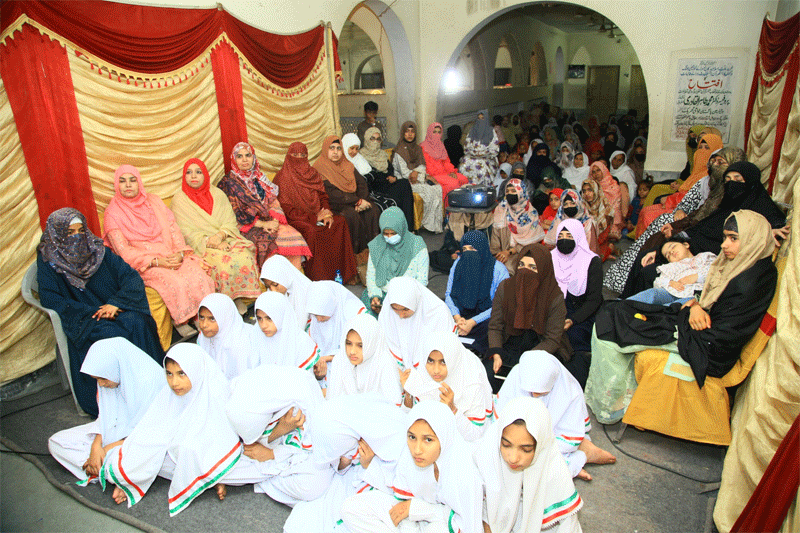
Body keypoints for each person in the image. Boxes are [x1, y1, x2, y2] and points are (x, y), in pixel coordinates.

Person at [586, 210, 779, 424]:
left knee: (611, 325)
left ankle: (612, 407)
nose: (724, 245)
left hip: (704, 346)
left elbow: (721, 334)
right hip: (696, 327)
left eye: (733, 238)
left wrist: (691, 309)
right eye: (725, 237)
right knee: (615, 313)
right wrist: (695, 305)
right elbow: (710, 303)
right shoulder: (745, 266)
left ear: (754, 239)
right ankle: (620, 397)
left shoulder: (751, 281)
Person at [37, 208, 164, 416]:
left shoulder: (97, 249)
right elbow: (50, 297)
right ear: (58, 234)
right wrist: (91, 311)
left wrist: (116, 303)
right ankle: (119, 398)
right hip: (84, 317)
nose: (78, 237)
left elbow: (130, 277)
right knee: (110, 335)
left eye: (81, 230)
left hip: (115, 308)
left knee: (138, 323)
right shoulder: (49, 260)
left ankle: (153, 387)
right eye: (70, 233)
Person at [100, 344, 242, 516]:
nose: (174, 382)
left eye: (182, 373)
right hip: (178, 455)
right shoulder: (169, 394)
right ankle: (128, 481)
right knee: (152, 450)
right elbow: (151, 430)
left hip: (211, 452)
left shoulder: (216, 392)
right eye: (169, 374)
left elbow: (223, 439)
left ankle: (216, 475)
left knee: (192, 452)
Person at [616, 160, 787, 298]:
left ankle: (637, 310)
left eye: (738, 179)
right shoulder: (725, 205)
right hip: (688, 249)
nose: (732, 184)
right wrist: (661, 250)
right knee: (644, 256)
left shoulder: (760, 206)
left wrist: (768, 231)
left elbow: (773, 225)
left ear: (750, 181)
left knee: (649, 273)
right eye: (728, 180)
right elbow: (698, 228)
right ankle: (627, 303)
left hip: (705, 262)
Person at [603, 147, 747, 294]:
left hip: (700, 250)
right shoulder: (711, 186)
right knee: (655, 235)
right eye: (713, 161)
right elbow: (695, 213)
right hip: (689, 230)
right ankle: (624, 289)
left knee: (653, 251)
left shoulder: (741, 202)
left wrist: (679, 232)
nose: (715, 165)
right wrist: (677, 222)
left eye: (720, 162)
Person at [103, 164, 215, 346]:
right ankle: (181, 320)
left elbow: (173, 230)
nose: (128, 185)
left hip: (170, 252)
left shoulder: (153, 201)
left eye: (132, 180)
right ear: (117, 185)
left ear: (139, 182)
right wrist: (156, 261)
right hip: (144, 263)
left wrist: (179, 254)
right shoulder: (113, 213)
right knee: (174, 282)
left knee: (197, 273)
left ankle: (199, 316)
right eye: (122, 181)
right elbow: (123, 251)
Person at [340, 401, 483, 533]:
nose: (417, 449)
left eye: (428, 440)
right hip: (415, 518)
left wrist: (418, 509)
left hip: (441, 525)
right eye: (412, 437)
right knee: (351, 508)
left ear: (444, 437)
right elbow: (399, 493)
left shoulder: (464, 474)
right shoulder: (410, 457)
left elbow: (464, 524)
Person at [284, 394, 408, 533]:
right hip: (360, 474)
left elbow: (401, 489)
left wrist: (369, 465)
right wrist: (347, 461)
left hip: (387, 489)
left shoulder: (396, 439)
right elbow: (341, 460)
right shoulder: (346, 420)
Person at [48, 338, 164, 483]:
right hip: (113, 434)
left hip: (142, 440)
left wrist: (105, 449)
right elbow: (106, 417)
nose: (101, 384)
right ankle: (96, 467)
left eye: (102, 378)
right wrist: (96, 447)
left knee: (126, 466)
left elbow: (148, 433)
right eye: (97, 379)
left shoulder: (149, 381)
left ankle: (97, 467)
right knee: (56, 442)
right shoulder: (110, 377)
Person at [496, 351, 617, 481]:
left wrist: (530, 446)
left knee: (534, 471)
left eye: (540, 391)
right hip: (515, 439)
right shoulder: (517, 375)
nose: (535, 395)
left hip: (550, 441)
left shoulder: (569, 391)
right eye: (531, 391)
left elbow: (569, 440)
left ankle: (582, 457)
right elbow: (499, 419)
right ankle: (575, 466)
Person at [224, 363, 333, 506]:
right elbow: (245, 440)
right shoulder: (238, 391)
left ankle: (261, 478)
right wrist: (278, 432)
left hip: (295, 450)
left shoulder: (303, 399)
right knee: (220, 464)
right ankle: (226, 475)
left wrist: (272, 454)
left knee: (315, 486)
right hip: (265, 447)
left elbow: (315, 448)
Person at [473, 396, 583, 533]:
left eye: (526, 450)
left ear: (540, 446)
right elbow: (479, 510)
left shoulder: (555, 474)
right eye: (506, 445)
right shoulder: (488, 453)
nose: (513, 458)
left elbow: (567, 526)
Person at [171, 158, 261, 312]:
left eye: (198, 172)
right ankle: (226, 302)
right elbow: (185, 232)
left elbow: (229, 220)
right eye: (189, 172)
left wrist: (220, 236)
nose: (194, 176)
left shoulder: (217, 194)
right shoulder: (179, 200)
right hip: (200, 244)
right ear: (184, 176)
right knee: (222, 262)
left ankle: (237, 297)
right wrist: (211, 242)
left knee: (244, 254)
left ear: (205, 174)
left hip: (224, 238)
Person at [486, 244, 571, 392]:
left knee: (538, 384)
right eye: (522, 265)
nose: (525, 271)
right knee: (489, 377)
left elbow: (552, 340)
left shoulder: (554, 297)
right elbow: (495, 326)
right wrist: (496, 351)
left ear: (543, 270)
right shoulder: (506, 288)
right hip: (510, 340)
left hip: (540, 345)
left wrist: (526, 361)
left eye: (532, 267)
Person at [217, 142, 310, 270]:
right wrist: (263, 224)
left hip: (270, 221)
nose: (244, 159)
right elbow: (234, 213)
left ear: (253, 158)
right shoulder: (228, 183)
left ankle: (291, 281)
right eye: (239, 156)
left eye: (248, 155)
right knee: (268, 243)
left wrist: (275, 221)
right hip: (246, 226)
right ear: (234, 159)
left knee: (294, 237)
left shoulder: (259, 178)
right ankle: (272, 283)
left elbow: (273, 201)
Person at [272, 142, 357, 282]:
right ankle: (317, 279)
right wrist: (314, 217)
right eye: (295, 155)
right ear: (288, 156)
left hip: (319, 214)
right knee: (311, 231)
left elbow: (323, 195)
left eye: (303, 155)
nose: (299, 158)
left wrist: (327, 212)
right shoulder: (282, 178)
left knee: (339, 222)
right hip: (296, 219)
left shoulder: (312, 173)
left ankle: (343, 275)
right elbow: (287, 209)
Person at [400, 332, 494, 442]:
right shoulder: (422, 373)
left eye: (443, 362)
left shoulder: (471, 382)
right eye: (430, 361)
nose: (436, 370)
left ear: (453, 359)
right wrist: (408, 394)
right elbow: (407, 421)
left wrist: (452, 409)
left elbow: (476, 436)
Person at [635, 134, 722, 237]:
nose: (702, 151)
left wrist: (669, 201)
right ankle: (642, 249)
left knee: (649, 216)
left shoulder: (711, 176)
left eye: (707, 148)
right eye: (700, 147)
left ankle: (652, 248)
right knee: (646, 210)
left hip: (690, 213)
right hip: (680, 205)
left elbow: (694, 200)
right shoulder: (698, 171)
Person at [551, 219, 602, 385]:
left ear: (578, 237)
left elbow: (593, 300)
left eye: (569, 236)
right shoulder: (551, 257)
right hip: (554, 310)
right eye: (561, 235)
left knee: (574, 339)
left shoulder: (591, 261)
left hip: (580, 313)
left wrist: (573, 320)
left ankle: (572, 385)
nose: (564, 240)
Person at [445, 231, 509, 355]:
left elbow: (498, 305)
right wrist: (458, 318)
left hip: (484, 317)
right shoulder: (458, 264)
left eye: (473, 249)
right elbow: (449, 294)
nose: (468, 253)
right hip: (459, 316)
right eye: (465, 249)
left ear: (482, 248)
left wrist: (472, 322)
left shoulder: (499, 270)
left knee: (496, 326)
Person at [314, 135, 380, 254]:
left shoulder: (347, 164)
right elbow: (332, 193)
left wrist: (363, 201)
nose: (335, 152)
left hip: (354, 201)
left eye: (339, 148)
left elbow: (361, 183)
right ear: (325, 149)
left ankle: (372, 252)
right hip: (335, 204)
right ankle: (355, 256)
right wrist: (357, 201)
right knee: (351, 216)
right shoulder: (320, 167)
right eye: (332, 148)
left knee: (373, 210)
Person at [378, 276, 457, 371]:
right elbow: (385, 346)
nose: (401, 316)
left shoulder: (438, 312)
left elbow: (447, 351)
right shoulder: (388, 312)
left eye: (405, 309)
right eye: (395, 309)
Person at [361, 207, 428, 317]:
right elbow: (371, 276)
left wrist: (403, 301)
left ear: (401, 228)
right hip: (383, 293)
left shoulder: (417, 246)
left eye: (393, 233)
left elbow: (422, 280)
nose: (389, 237)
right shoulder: (377, 245)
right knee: (367, 314)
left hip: (409, 295)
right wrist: (375, 297)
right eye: (385, 233)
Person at [326, 314, 403, 404]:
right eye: (348, 343)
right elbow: (333, 403)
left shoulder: (384, 363)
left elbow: (393, 407)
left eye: (360, 345)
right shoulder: (340, 360)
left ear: (372, 343)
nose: (352, 351)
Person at [627, 236, 716, 306]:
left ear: (686, 245)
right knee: (652, 294)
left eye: (673, 246)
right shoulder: (671, 267)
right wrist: (669, 282)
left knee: (671, 308)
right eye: (668, 255)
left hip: (696, 295)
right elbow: (658, 281)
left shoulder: (705, 256)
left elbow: (717, 271)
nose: (671, 252)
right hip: (672, 293)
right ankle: (623, 305)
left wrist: (697, 277)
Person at [251, 291, 323, 377]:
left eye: (269, 318)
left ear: (282, 316)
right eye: (259, 318)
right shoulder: (255, 336)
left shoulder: (301, 342)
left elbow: (305, 382)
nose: (263, 325)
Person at [359, 126, 416, 230]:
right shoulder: (361, 156)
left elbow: (390, 169)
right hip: (376, 188)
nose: (375, 142)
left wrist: (393, 177)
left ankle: (408, 228)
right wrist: (385, 178)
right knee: (400, 191)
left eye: (378, 139)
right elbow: (370, 177)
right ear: (367, 139)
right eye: (372, 138)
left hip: (388, 184)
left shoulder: (382, 155)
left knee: (404, 183)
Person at [392, 121, 443, 233]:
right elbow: (405, 173)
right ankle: (426, 223)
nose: (410, 134)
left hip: (417, 178)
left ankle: (433, 224)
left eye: (412, 131)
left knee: (438, 188)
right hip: (404, 182)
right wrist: (423, 177)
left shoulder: (417, 148)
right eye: (407, 131)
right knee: (429, 191)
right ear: (403, 133)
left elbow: (422, 165)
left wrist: (417, 172)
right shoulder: (399, 151)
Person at [196, 293, 257, 380]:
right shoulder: (203, 337)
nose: (204, 325)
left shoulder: (241, 342)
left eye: (212, 319)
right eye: (201, 317)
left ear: (225, 318)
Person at [491, 178, 546, 274]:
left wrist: (509, 252)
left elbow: (531, 244)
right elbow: (495, 242)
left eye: (513, 191)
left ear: (521, 192)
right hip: (502, 256)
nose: (509, 194)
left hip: (524, 255)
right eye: (507, 191)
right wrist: (499, 255)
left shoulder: (530, 214)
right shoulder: (501, 210)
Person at [306, 280, 366, 360]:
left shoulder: (353, 313)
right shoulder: (316, 310)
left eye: (322, 316)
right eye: (316, 315)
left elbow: (361, 348)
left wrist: (325, 359)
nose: (318, 319)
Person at [342, 133, 397, 214]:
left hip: (368, 191)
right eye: (352, 148)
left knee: (390, 202)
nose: (354, 152)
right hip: (354, 196)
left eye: (357, 149)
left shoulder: (359, 158)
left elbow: (372, 174)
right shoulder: (342, 162)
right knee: (376, 208)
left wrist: (364, 178)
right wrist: (366, 178)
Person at [420, 122, 469, 204]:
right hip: (433, 175)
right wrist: (446, 175)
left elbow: (446, 162)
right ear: (429, 133)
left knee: (463, 179)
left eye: (439, 132)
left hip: (444, 173)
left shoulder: (440, 146)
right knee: (453, 183)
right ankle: (449, 209)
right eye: (434, 132)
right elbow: (427, 167)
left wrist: (451, 172)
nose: (437, 134)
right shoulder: (423, 147)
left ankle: (461, 205)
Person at [259, 254, 312, 327]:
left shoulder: (307, 291)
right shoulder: (272, 294)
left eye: (275, 284)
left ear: (285, 276)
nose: (273, 290)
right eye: (268, 286)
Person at [544, 189, 600, 256]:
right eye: (565, 204)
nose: (569, 206)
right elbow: (550, 243)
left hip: (583, 257)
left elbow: (591, 247)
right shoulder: (560, 219)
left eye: (572, 203)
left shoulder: (587, 222)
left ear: (578, 203)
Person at [458, 110, 501, 188]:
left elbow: (494, 149)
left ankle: (483, 190)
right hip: (472, 156)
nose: (480, 120)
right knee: (464, 165)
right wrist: (474, 153)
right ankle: (466, 189)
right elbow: (466, 146)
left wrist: (483, 153)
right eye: (479, 118)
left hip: (486, 157)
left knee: (482, 168)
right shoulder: (472, 130)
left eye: (483, 118)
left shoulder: (491, 131)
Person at [589, 160, 625, 234]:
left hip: (611, 219)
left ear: (604, 170)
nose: (596, 174)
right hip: (594, 218)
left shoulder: (613, 186)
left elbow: (616, 208)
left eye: (598, 170)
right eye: (593, 172)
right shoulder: (590, 186)